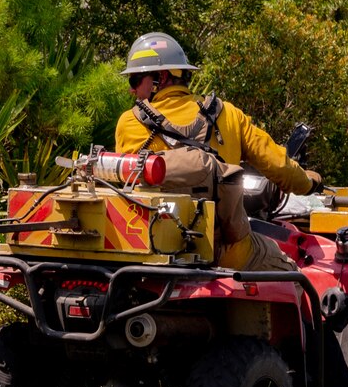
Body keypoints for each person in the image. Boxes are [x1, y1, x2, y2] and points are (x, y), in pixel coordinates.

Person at [113, 31, 320, 270]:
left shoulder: (129, 123)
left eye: (134, 80)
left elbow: (127, 184)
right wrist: (309, 183)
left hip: (155, 253)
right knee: (293, 275)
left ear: (160, 76)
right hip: (226, 252)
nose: (131, 90)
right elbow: (278, 165)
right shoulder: (227, 114)